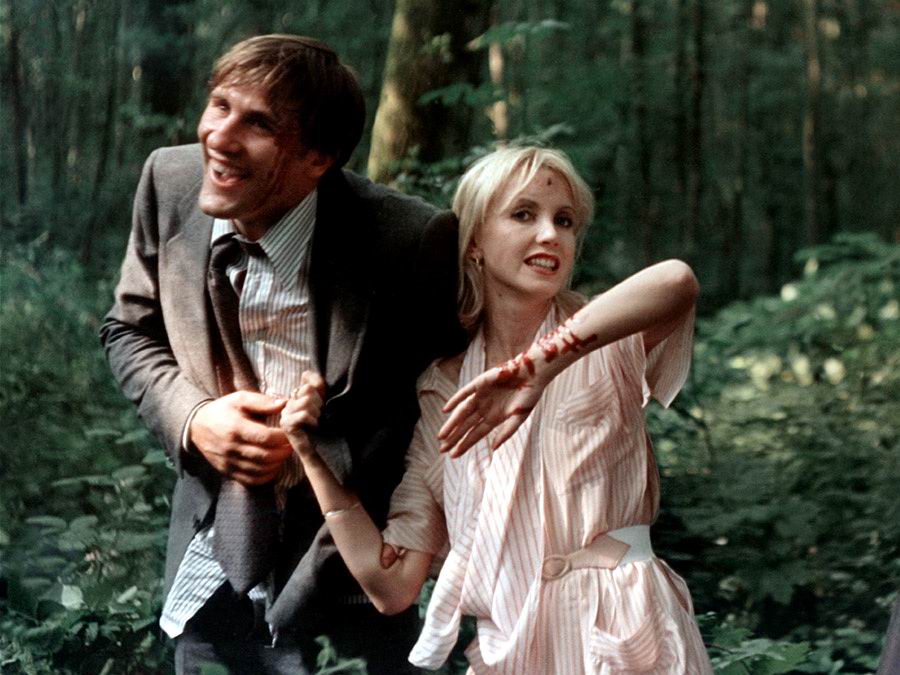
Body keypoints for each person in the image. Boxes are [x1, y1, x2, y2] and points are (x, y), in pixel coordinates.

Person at [100, 34, 462, 674]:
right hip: (208, 567)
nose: (220, 136)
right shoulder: (169, 182)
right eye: (219, 105)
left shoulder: (407, 241)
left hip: (349, 583)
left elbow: (446, 403)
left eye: (258, 124)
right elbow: (130, 329)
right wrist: (194, 418)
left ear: (318, 157)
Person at [282, 145, 714, 673]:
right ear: (474, 243)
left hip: (623, 636)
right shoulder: (444, 389)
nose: (550, 234)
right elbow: (390, 587)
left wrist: (543, 363)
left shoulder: (604, 336)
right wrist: (312, 455)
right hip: (508, 650)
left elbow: (677, 281)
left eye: (565, 221)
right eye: (523, 214)